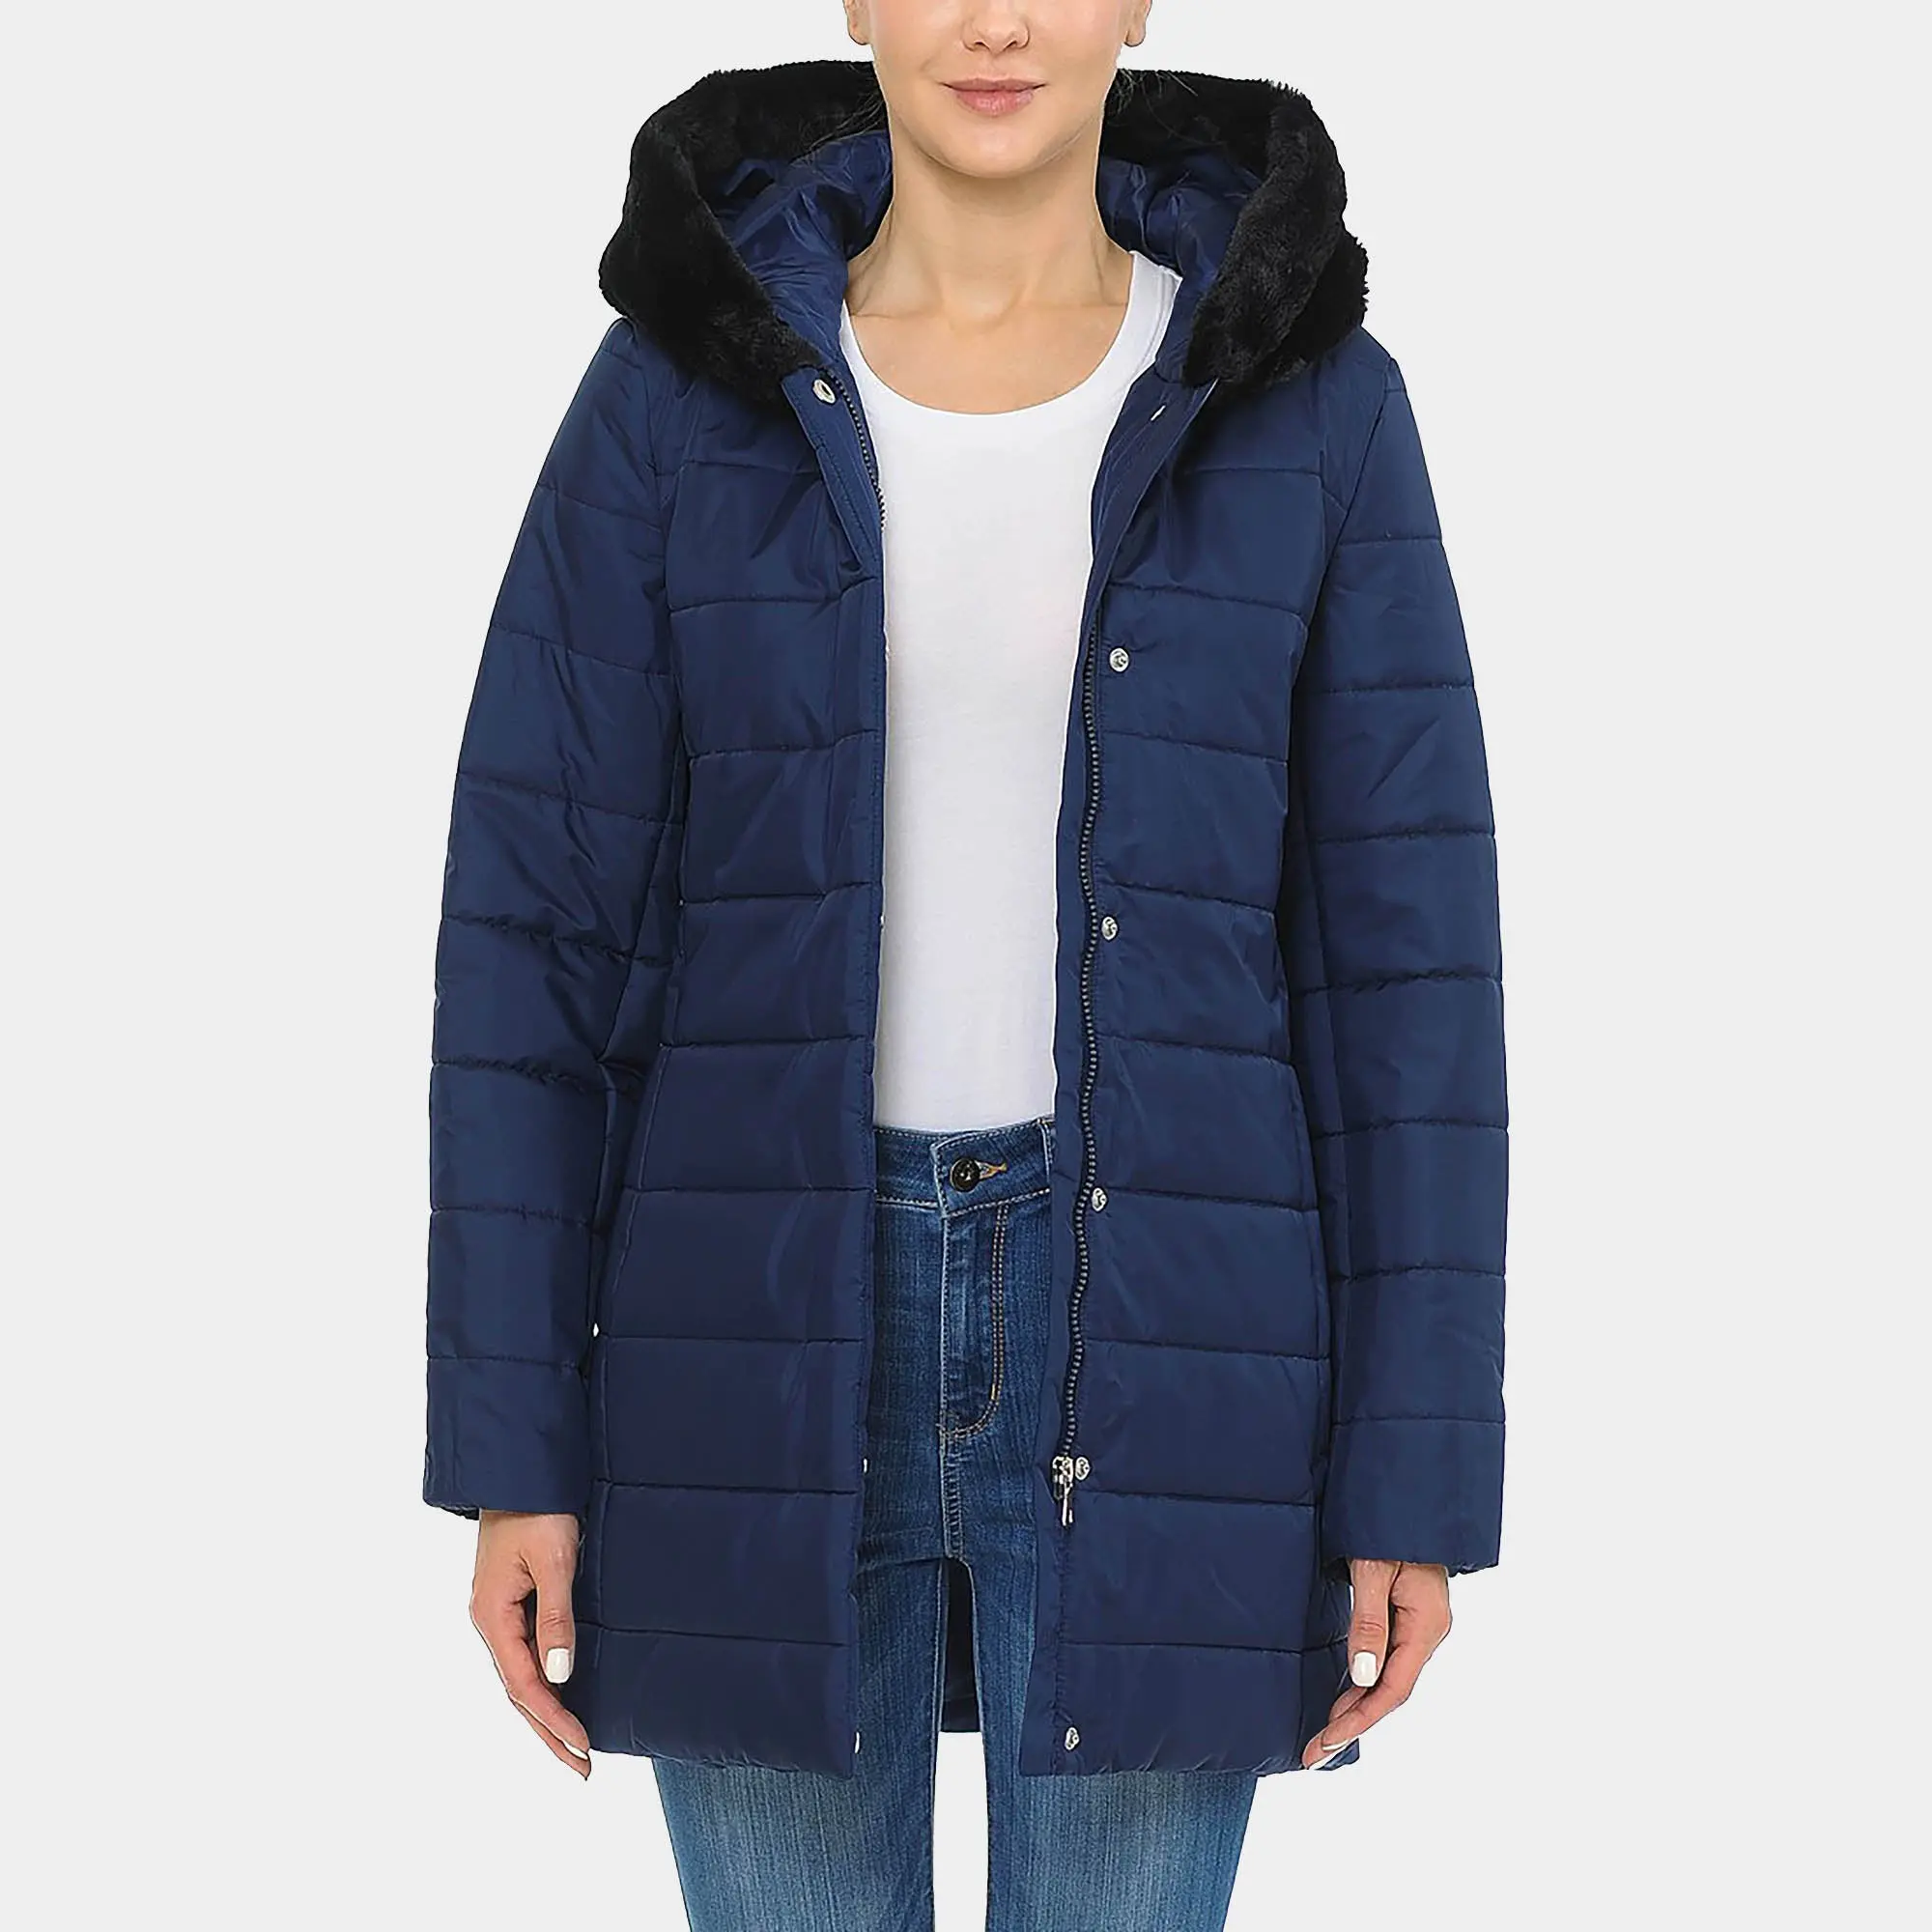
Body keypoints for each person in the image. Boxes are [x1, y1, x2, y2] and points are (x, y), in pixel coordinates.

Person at [422, 5, 1508, 1927]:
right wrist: (516, 1448)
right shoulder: (675, 395)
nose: (995, 20)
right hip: (744, 1331)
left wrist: (1410, 1476)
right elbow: (533, 937)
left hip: (1176, 1339)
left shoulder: (1310, 406)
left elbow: (1403, 976)